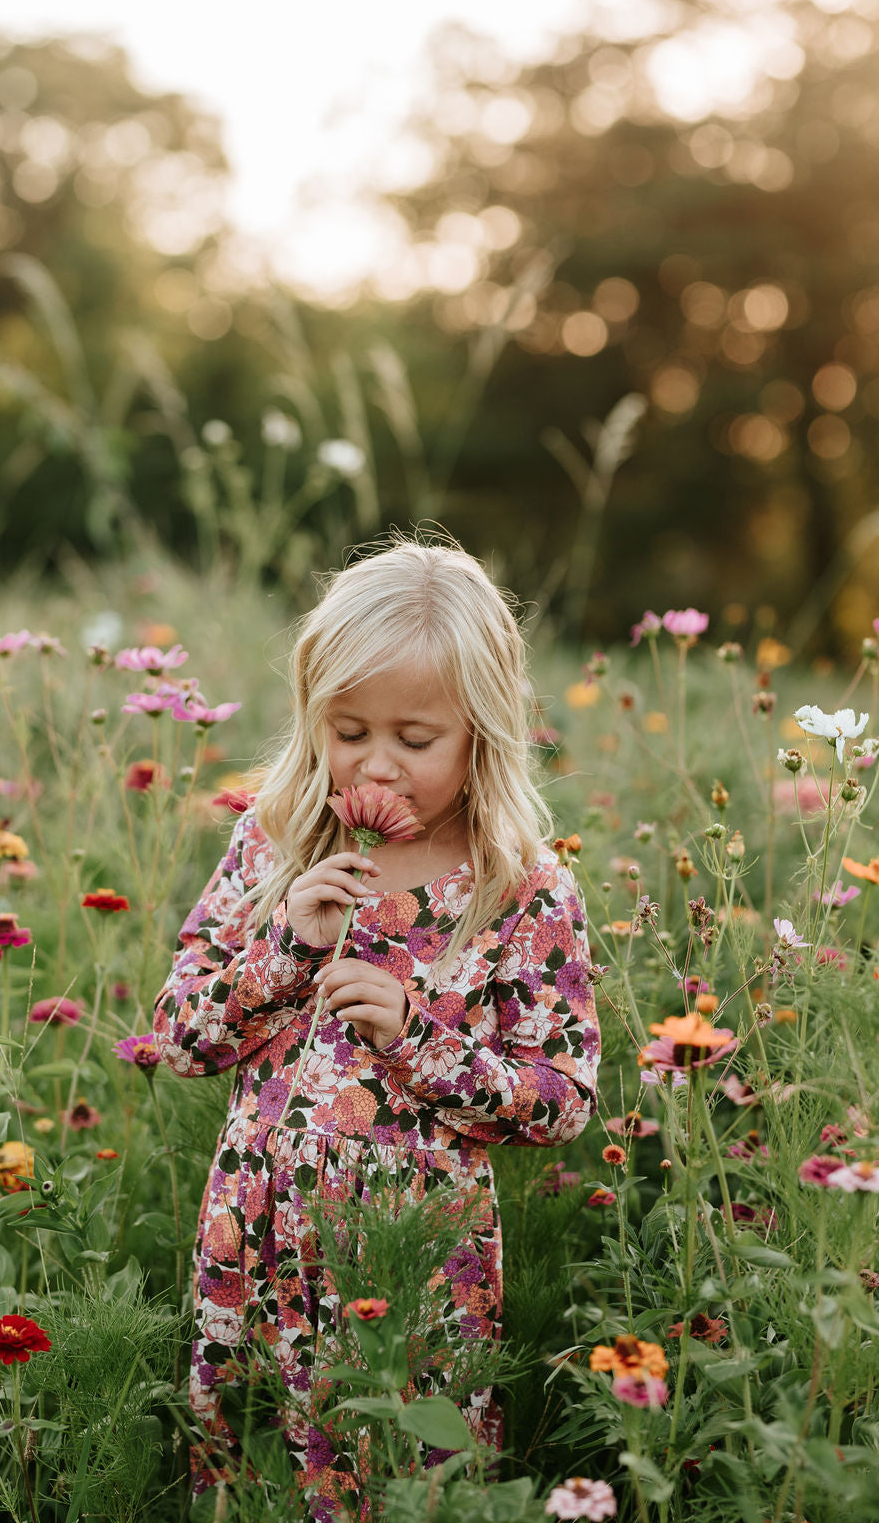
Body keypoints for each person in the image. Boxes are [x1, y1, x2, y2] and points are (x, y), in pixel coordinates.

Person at [152, 537, 601, 1519]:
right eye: (348, 729)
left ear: (481, 732)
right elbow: (178, 1038)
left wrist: (416, 1035)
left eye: (415, 736)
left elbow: (561, 1100)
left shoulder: (519, 886)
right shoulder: (273, 841)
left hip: (416, 1268)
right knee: (255, 1477)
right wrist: (285, 949)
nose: (376, 762)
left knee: (402, 1481)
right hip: (258, 1245)